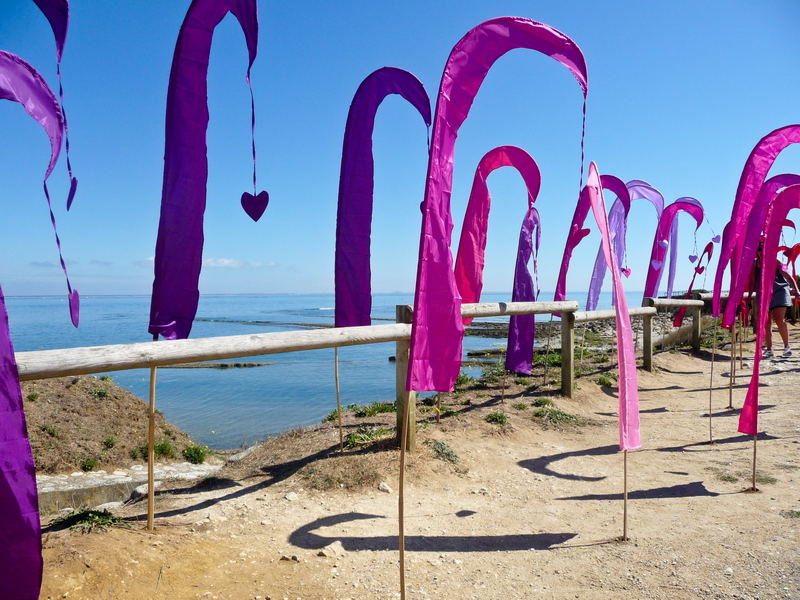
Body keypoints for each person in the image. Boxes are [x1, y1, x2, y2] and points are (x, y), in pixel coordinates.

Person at [763, 262, 800, 358]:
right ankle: (769, 349)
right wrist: (749, 296)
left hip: (780, 291)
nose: (760, 252)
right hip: (765, 293)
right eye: (758, 249)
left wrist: (796, 291)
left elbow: (788, 277)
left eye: (762, 248)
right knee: (766, 322)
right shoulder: (756, 263)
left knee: (779, 319)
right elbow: (753, 281)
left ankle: (787, 346)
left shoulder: (776, 261)